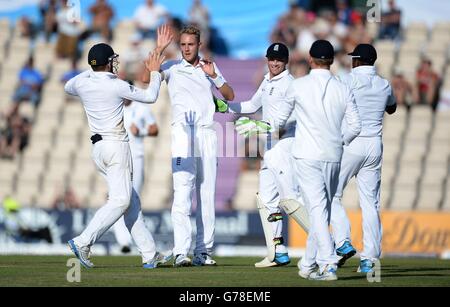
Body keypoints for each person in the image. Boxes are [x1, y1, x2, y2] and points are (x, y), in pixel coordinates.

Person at [64, 25, 173, 269]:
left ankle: (149, 254)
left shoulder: (82, 84)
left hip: (98, 150)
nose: (115, 64)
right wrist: (155, 73)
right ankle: (83, 241)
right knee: (122, 200)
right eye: (112, 60)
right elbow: (151, 96)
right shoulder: (116, 85)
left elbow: (68, 85)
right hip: (116, 146)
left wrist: (92, 70)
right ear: (106, 63)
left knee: (131, 203)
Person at [144, 25, 234, 267]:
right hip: (183, 133)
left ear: (199, 45)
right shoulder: (172, 67)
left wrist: (214, 75)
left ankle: (202, 252)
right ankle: (180, 251)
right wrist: (160, 48)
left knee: (206, 194)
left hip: (207, 133)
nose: (185, 49)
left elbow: (230, 95)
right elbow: (145, 79)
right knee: (182, 192)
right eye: (182, 44)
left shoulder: (208, 67)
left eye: (190, 44)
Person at [215, 43, 309, 268]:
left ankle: (327, 246)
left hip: (285, 147)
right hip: (269, 149)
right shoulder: (267, 81)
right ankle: (277, 251)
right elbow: (251, 104)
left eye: (279, 60)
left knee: (291, 200)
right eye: (271, 59)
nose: (274, 63)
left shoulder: (290, 85)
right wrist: (225, 106)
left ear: (286, 62)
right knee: (266, 200)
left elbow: (282, 125)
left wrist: (256, 126)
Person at [276, 40, 362, 281]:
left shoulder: (299, 85)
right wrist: (338, 140)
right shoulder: (343, 88)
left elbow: (279, 120)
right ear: (332, 61)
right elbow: (356, 125)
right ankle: (308, 263)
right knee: (320, 210)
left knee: (316, 210)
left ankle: (328, 264)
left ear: (311, 60)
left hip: (306, 156)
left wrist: (260, 127)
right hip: (333, 156)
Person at [330, 44, 397, 273]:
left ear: (357, 61)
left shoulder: (345, 80)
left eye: (352, 59)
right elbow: (392, 108)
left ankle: (343, 242)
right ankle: (369, 260)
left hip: (351, 143)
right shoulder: (384, 84)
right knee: (370, 204)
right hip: (374, 146)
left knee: (331, 194)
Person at [113, 91, 159, 253]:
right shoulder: (115, 108)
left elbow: (155, 130)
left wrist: (141, 131)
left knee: (133, 198)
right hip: (120, 159)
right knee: (120, 198)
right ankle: (124, 241)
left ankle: (140, 243)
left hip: (137, 157)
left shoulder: (142, 108)